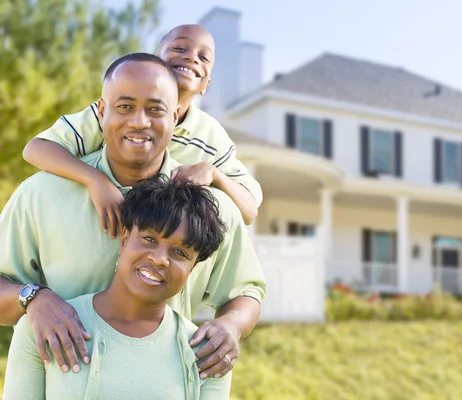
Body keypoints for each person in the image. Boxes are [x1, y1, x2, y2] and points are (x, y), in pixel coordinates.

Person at [0, 53, 265, 381]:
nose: (140, 122)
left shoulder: (212, 209)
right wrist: (34, 299)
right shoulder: (41, 194)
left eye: (155, 109)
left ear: (176, 114)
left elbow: (246, 291)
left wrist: (231, 326)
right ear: (101, 111)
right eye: (125, 106)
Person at [22, 24, 261, 239]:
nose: (191, 58)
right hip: (94, 230)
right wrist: (95, 180)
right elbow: (36, 149)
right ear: (155, 60)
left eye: (203, 57)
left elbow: (249, 211)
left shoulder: (211, 137)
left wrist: (213, 174)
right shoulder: (113, 113)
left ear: (206, 84)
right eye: (179, 48)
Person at [3, 176, 232, 400]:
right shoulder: (46, 326)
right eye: (149, 239)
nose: (160, 259)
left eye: (180, 253)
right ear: (124, 240)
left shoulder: (207, 353)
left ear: (191, 269)